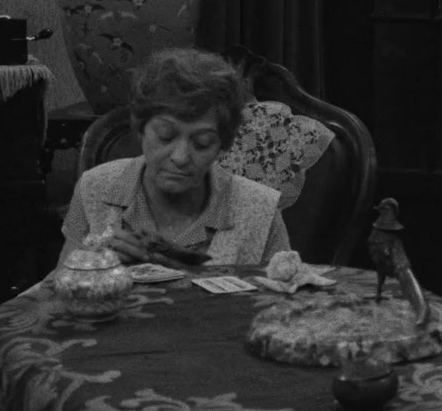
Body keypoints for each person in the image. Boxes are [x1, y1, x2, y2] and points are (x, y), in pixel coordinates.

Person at [59, 47, 290, 266]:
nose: (180, 158)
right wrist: (97, 264)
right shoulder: (96, 188)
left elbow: (284, 292)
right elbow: (58, 286)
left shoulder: (260, 209)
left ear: (222, 145)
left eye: (202, 143)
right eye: (165, 137)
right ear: (141, 130)